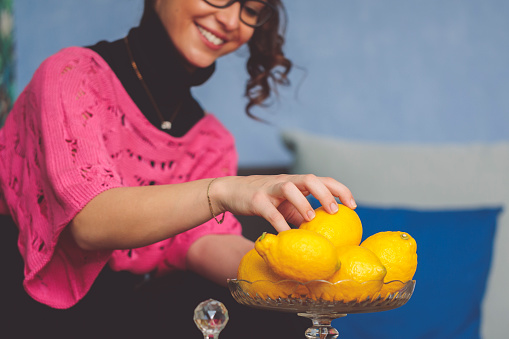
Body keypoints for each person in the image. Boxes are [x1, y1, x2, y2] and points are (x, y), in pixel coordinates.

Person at [0, 0, 356, 337]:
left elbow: (202, 244)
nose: (231, 21)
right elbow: (88, 222)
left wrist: (304, 279)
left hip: (126, 313)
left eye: (250, 9)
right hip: (28, 309)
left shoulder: (211, 138)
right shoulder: (71, 74)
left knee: (279, 321)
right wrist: (225, 191)